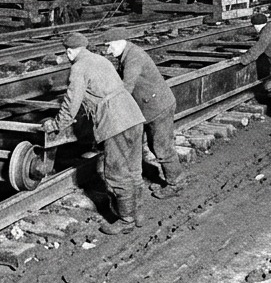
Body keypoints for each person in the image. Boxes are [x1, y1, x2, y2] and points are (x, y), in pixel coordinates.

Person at [40, 32, 145, 234]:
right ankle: (137, 213)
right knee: (133, 167)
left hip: (115, 123)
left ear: (69, 52)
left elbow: (71, 105)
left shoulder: (78, 68)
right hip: (133, 115)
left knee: (116, 172)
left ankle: (126, 220)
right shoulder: (101, 60)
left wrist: (55, 124)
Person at [106, 33, 185, 198]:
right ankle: (172, 178)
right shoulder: (127, 54)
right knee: (154, 145)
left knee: (162, 147)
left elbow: (127, 86)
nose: (107, 50)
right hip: (152, 106)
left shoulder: (134, 57)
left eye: (110, 45)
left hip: (158, 107)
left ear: (120, 41)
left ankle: (176, 183)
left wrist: (111, 109)